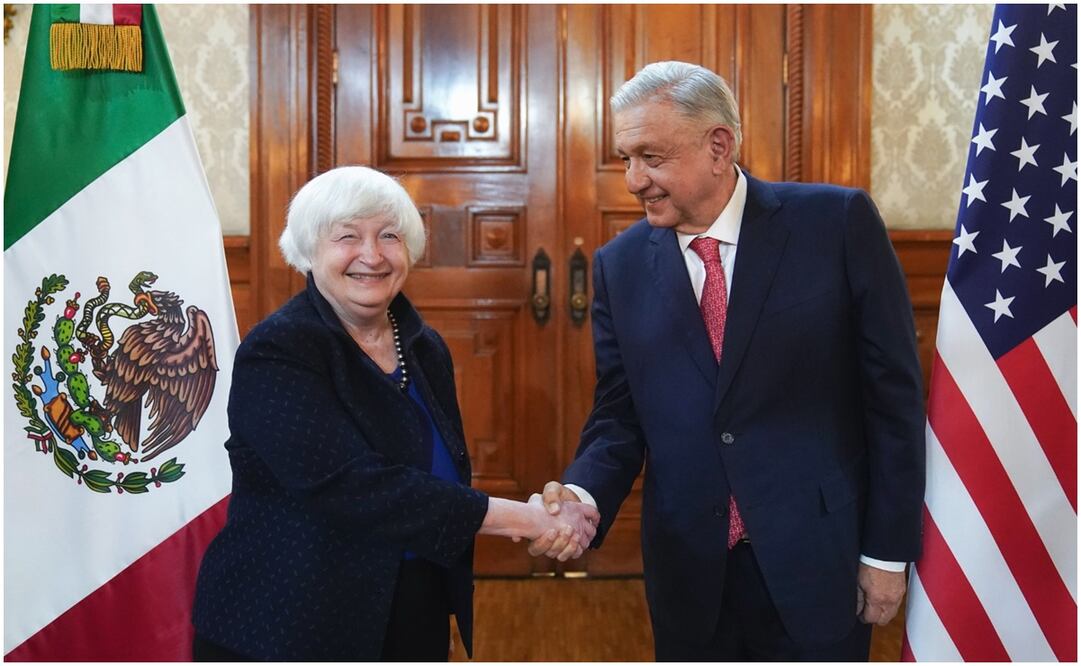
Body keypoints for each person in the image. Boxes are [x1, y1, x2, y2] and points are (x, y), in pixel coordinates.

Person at [531, 61, 925, 661]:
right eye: (625, 158)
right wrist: (583, 497)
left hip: (819, 560)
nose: (634, 180)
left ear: (719, 146)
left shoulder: (835, 224)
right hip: (691, 574)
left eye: (650, 157)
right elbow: (618, 416)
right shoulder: (622, 266)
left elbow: (893, 402)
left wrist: (886, 553)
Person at [191, 166, 597, 661]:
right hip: (292, 618)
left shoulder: (424, 347)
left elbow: (437, 472)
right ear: (307, 251)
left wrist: (537, 517)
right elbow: (353, 486)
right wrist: (526, 520)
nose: (372, 255)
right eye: (348, 237)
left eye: (389, 235)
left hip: (410, 599)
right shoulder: (279, 350)